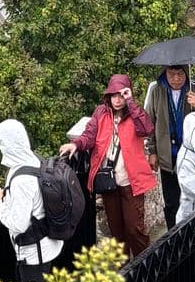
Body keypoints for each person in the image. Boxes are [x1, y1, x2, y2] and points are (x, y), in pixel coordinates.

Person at [61, 75, 156, 261]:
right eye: (114, 96)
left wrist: (131, 102)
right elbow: (89, 135)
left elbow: (146, 128)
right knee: (116, 230)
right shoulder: (101, 113)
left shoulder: (135, 114)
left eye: (122, 95)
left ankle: (145, 264)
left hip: (131, 181)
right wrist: (76, 145)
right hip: (109, 181)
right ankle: (124, 269)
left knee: (134, 228)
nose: (118, 100)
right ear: (108, 96)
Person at [0, 120, 64, 282]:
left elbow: (19, 225)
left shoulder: (21, 180)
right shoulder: (35, 160)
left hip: (35, 252)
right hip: (48, 241)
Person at [143, 63, 195, 232]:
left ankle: (193, 234)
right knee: (171, 201)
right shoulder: (156, 89)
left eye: (180, 74)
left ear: (186, 72)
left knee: (192, 197)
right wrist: (152, 151)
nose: (176, 79)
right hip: (168, 156)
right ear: (165, 72)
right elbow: (148, 122)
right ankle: (173, 236)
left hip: (192, 157)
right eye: (171, 74)